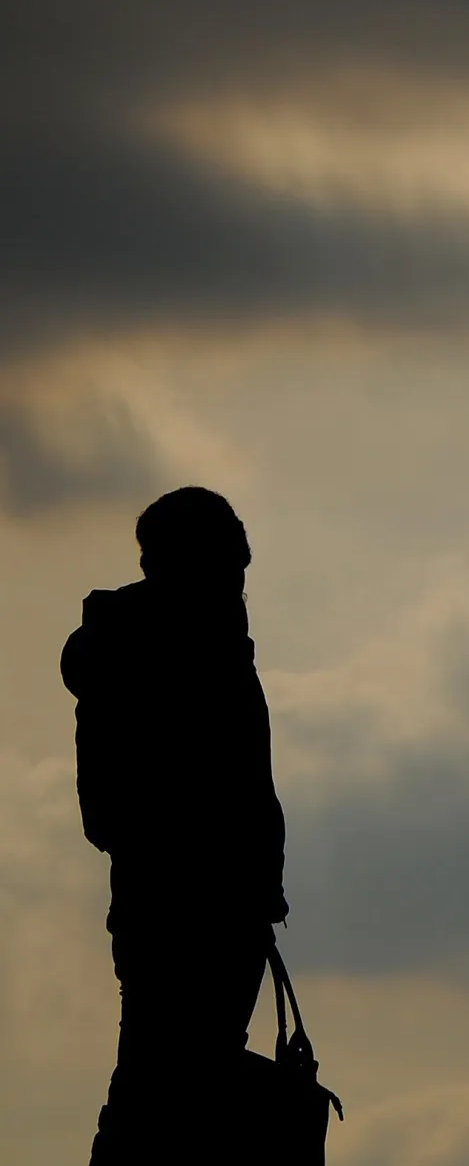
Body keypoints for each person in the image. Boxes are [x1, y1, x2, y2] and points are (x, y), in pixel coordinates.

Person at [62, 487, 287, 1165]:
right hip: (181, 917)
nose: (243, 573)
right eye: (233, 556)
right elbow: (114, 810)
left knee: (178, 1098)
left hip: (208, 913)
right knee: (156, 1098)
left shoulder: (200, 646)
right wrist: (215, 869)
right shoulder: (160, 651)